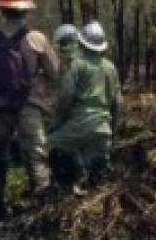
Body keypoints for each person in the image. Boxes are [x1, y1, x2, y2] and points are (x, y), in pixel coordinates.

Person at [0, 0, 60, 217]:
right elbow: (55, 73)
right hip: (28, 106)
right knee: (36, 152)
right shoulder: (37, 39)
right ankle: (42, 203)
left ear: (2, 8)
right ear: (26, 9)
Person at [48, 21, 121, 191]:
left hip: (81, 123)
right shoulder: (111, 68)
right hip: (103, 128)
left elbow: (66, 97)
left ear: (81, 42)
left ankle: (64, 191)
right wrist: (112, 131)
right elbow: (118, 103)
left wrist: (57, 124)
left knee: (50, 145)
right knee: (98, 181)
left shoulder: (76, 65)